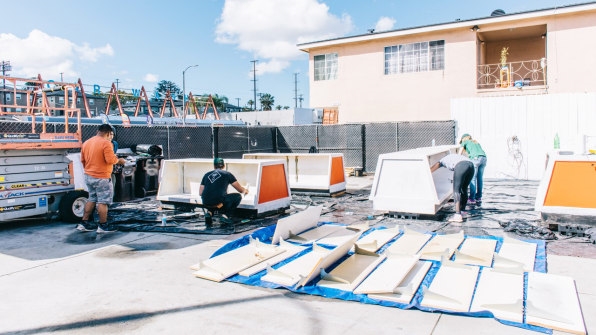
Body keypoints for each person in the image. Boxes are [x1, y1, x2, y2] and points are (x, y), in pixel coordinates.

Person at [77, 124, 126, 233]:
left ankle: (84, 223)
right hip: (102, 177)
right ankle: (103, 225)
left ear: (98, 131)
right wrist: (120, 160)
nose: (111, 137)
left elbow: (83, 160)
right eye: (111, 135)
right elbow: (111, 160)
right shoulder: (106, 143)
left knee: (91, 199)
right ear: (108, 133)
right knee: (103, 202)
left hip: (89, 175)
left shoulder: (87, 142)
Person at [199, 158, 248, 226]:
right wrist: (245, 190)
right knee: (237, 196)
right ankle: (225, 216)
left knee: (215, 201)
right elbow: (240, 190)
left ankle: (209, 213)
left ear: (214, 166)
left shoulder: (206, 175)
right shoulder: (227, 174)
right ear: (223, 166)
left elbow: (200, 193)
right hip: (219, 202)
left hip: (206, 202)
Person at [431, 153, 474, 223]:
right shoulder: (453, 157)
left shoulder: (441, 161)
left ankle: (457, 215)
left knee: (456, 190)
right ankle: (462, 212)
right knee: (464, 189)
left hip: (461, 166)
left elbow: (431, 169)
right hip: (471, 165)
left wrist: (426, 174)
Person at [458, 133, 487, 206]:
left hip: (476, 159)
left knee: (472, 178)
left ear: (463, 139)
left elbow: (459, 153)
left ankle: (472, 198)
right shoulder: (476, 142)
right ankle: (479, 197)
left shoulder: (465, 142)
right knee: (479, 179)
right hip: (484, 158)